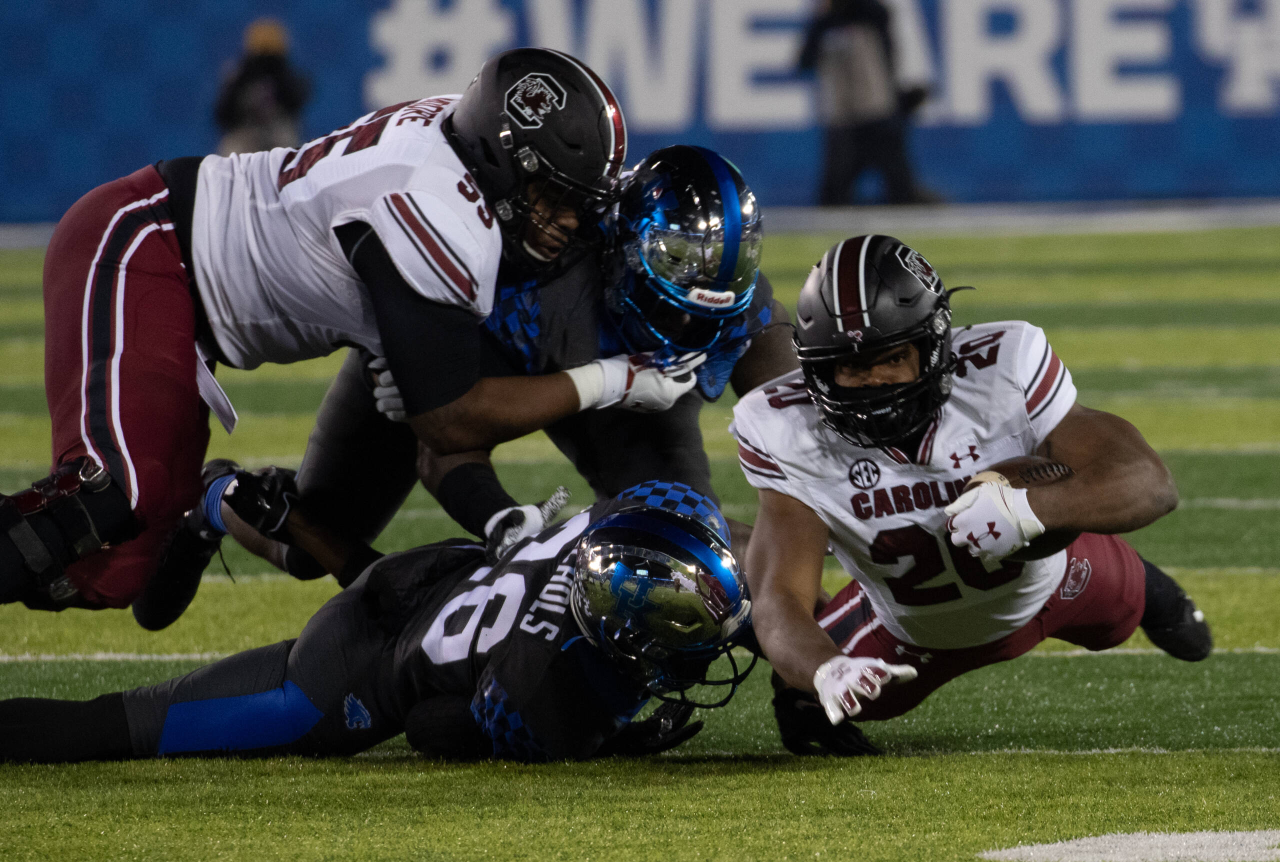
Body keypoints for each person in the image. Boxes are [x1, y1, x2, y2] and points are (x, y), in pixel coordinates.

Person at [0, 48, 700, 619]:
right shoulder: (440, 208)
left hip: (191, 297)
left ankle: (206, 504)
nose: (571, 221)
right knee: (110, 495)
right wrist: (615, 380)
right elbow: (450, 423)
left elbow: (432, 408)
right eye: (556, 197)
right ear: (501, 162)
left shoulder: (458, 163)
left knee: (114, 575)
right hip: (147, 246)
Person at [156, 146, 798, 626]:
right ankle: (217, 495)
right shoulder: (528, 270)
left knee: (685, 540)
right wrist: (498, 520)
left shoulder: (737, 307)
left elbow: (801, 420)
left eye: (706, 312)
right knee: (312, 540)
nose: (685, 326)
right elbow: (447, 440)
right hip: (479, 372)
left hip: (638, 396)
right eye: (672, 304)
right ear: (622, 255)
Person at [731, 235, 1212, 756]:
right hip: (908, 630)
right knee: (818, 692)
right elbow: (780, 599)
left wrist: (1032, 510)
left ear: (934, 345)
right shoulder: (782, 425)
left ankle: (1144, 579)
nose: (870, 381)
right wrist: (827, 670)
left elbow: (1150, 483)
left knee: (1156, 625)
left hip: (1060, 580)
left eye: (891, 357)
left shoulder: (1003, 368)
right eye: (847, 366)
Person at [0, 484, 754, 764]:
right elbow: (431, 725)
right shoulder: (546, 695)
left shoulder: (634, 514)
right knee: (129, 727)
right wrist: (610, 735)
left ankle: (251, 506)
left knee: (391, 601)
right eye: (667, 620)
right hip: (340, 679)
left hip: (423, 577)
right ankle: (227, 508)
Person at [798, 0, 927, 205]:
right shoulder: (824, 24)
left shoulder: (873, 14)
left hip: (878, 113)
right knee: (834, 194)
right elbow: (804, 61)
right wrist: (824, 19)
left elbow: (891, 58)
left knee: (900, 188)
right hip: (843, 120)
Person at [214, 18, 312, 155]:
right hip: (245, 132)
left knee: (288, 147)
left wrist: (280, 78)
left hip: (278, 132)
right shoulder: (238, 75)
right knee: (234, 151)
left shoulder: (287, 76)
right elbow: (222, 115)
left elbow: (296, 103)